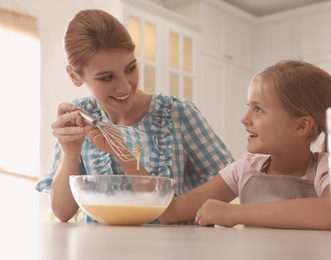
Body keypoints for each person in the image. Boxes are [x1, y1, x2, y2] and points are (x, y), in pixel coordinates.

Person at [35, 9, 234, 223]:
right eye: (107, 77)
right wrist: (70, 153)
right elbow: (62, 213)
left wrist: (178, 209)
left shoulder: (178, 114)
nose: (124, 86)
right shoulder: (79, 118)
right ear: (74, 76)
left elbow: (231, 182)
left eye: (130, 68)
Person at [159, 60, 331, 230]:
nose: (244, 119)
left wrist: (233, 213)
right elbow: (171, 212)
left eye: (259, 109)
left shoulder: (327, 169)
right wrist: (129, 150)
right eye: (249, 106)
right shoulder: (244, 169)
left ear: (301, 126)